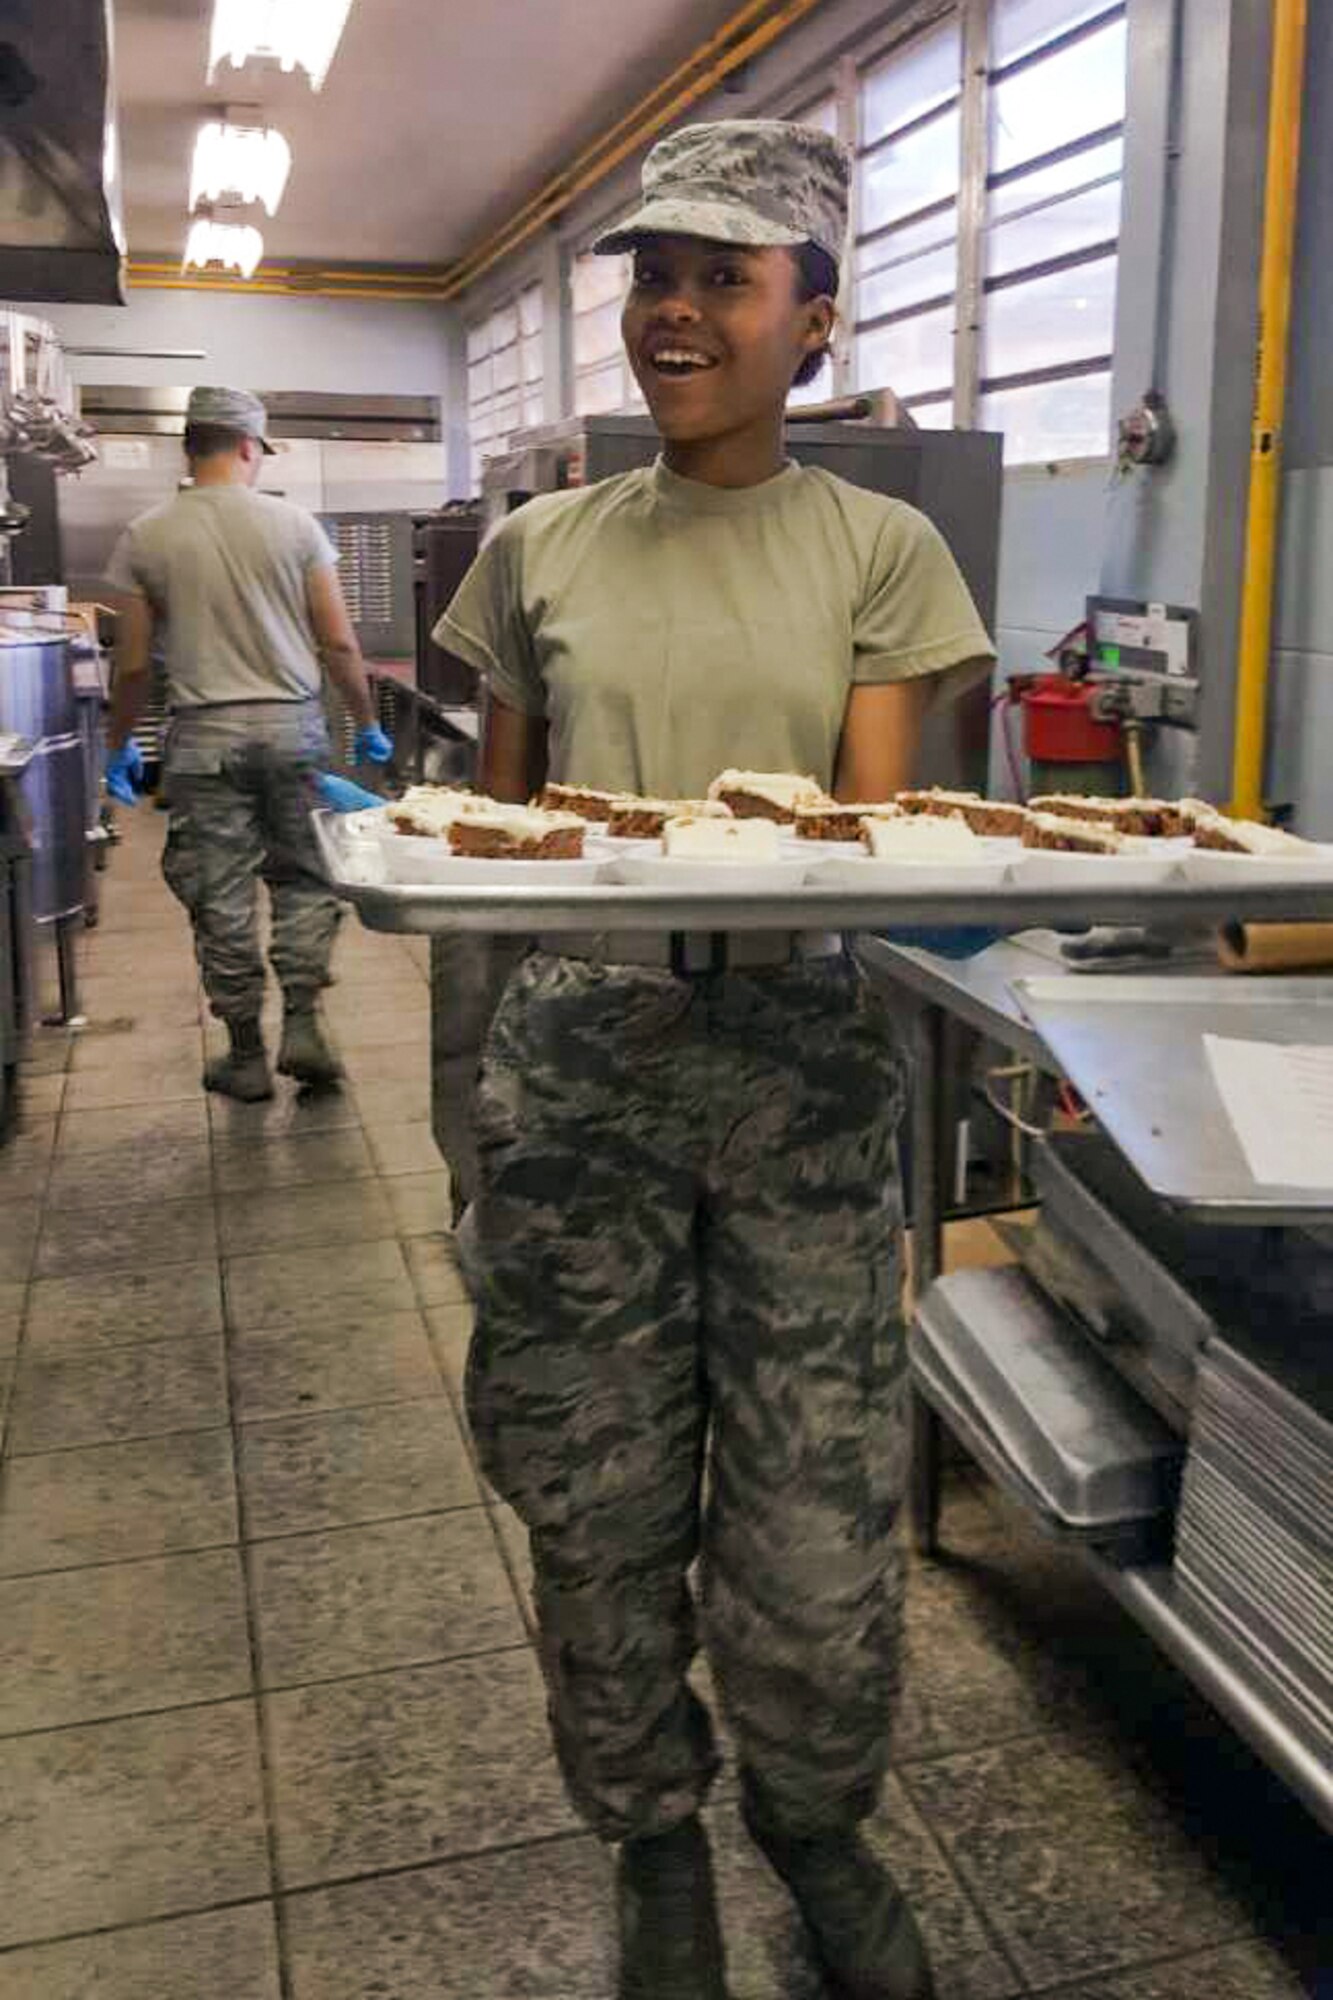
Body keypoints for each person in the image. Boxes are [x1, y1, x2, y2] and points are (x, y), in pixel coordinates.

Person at [435, 121, 995, 2000]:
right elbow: (483, 856)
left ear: (811, 323)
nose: (674, 311)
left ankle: (815, 1828)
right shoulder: (535, 549)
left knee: (816, 1514)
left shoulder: (881, 547)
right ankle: (651, 1837)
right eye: (651, 278)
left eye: (723, 279)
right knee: (590, 1499)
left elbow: (873, 826)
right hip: (578, 1061)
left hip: (797, 1068)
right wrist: (470, 1132)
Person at [104, 385, 392, 1102]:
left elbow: (134, 663)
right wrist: (367, 722)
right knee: (303, 878)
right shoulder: (294, 526)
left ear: (189, 446)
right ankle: (303, 1020)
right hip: (293, 729)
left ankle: (244, 1055)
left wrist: (116, 745)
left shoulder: (147, 534)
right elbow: (338, 640)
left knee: (220, 895)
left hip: (203, 741)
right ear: (245, 446)